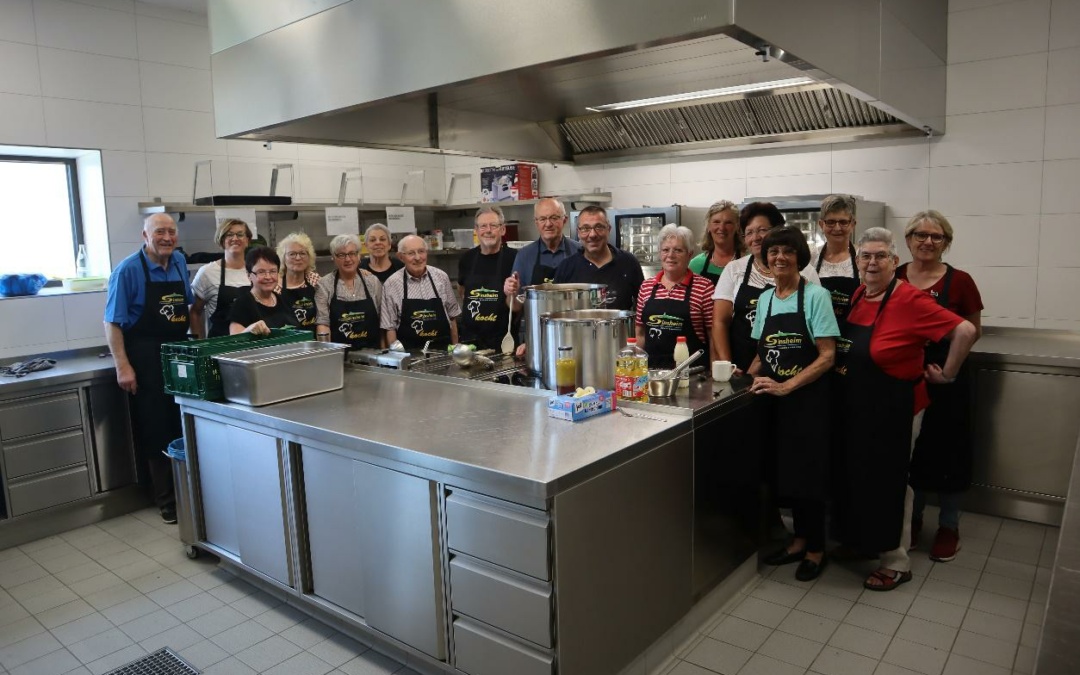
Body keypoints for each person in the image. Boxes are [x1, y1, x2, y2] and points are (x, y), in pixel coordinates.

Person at [832, 227, 978, 592]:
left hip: (897, 406)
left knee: (893, 482)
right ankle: (865, 542)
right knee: (860, 475)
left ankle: (895, 560)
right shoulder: (859, 295)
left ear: (895, 262)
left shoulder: (909, 299)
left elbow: (964, 330)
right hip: (859, 405)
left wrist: (948, 374)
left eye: (880, 256)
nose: (871, 262)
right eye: (865, 256)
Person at [746, 226, 839, 581]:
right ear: (765, 259)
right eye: (773, 252)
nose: (779, 258)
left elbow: (827, 356)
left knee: (810, 476)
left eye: (787, 251)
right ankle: (799, 540)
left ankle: (817, 548)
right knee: (787, 474)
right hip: (774, 402)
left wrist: (787, 387)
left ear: (799, 256)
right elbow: (762, 352)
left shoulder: (816, 296)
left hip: (808, 403)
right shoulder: (767, 298)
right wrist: (741, 380)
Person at [897, 211, 984, 562]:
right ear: (908, 239)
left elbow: (973, 329)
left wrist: (947, 371)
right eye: (920, 235)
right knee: (912, 454)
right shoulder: (896, 275)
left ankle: (949, 526)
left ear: (946, 243)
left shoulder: (960, 281)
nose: (927, 241)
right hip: (904, 380)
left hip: (947, 380)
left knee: (950, 452)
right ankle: (913, 521)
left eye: (937, 236)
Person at [103, 214, 192, 524]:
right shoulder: (127, 270)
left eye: (171, 231)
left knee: (181, 420)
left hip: (178, 352)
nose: (166, 237)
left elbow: (189, 308)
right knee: (156, 425)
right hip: (145, 354)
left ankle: (187, 492)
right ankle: (166, 500)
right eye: (159, 232)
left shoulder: (179, 262)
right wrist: (123, 365)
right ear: (145, 235)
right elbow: (112, 322)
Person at [710, 202, 820, 371]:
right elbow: (719, 322)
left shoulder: (806, 272)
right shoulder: (734, 269)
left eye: (762, 230)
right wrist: (728, 365)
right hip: (743, 367)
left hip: (794, 368)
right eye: (749, 232)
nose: (756, 237)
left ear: (777, 231)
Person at [635, 224, 714, 368]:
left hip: (693, 373)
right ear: (660, 253)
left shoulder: (704, 287)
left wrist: (715, 370)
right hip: (652, 373)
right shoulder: (646, 287)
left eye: (678, 250)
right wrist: (636, 368)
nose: (670, 255)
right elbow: (640, 334)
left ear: (689, 254)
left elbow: (713, 336)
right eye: (665, 250)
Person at [552, 205, 645, 311]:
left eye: (599, 227)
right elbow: (557, 310)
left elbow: (642, 306)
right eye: (585, 228)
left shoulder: (629, 263)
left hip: (619, 327)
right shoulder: (566, 267)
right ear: (578, 232)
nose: (592, 234)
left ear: (608, 229)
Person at [381, 235, 460, 349]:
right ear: (400, 257)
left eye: (421, 251)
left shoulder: (441, 277)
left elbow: (452, 318)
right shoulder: (391, 284)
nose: (418, 257)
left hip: (443, 354)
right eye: (411, 253)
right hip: (409, 357)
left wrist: (455, 349)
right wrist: (397, 359)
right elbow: (390, 328)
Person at [458, 205, 518, 350]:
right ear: (476, 230)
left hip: (502, 343)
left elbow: (517, 306)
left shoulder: (515, 258)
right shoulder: (467, 258)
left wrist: (512, 293)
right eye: (483, 226)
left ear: (503, 229)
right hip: (470, 343)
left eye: (493, 226)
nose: (488, 231)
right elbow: (463, 293)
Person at [504, 197, 582, 306]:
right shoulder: (524, 255)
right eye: (542, 219)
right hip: (536, 321)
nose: (548, 224)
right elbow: (515, 307)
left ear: (564, 220)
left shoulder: (580, 252)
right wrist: (512, 293)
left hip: (571, 321)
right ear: (536, 222)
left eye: (554, 218)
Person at [315, 234, 384, 349]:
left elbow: (383, 321)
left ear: (358, 256)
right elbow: (323, 324)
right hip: (340, 356)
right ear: (333, 258)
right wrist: (327, 355)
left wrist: (385, 353)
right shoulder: (325, 284)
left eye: (352, 253)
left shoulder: (372, 281)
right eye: (341, 255)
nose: (348, 259)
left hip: (373, 353)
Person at [189, 218, 252, 338]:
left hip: (253, 344)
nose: (235, 238)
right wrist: (200, 345)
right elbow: (194, 312)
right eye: (229, 235)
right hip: (219, 346)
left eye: (240, 234)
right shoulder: (207, 272)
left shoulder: (256, 270)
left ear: (247, 240)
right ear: (222, 240)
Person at [811, 195, 861, 322]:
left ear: (852, 224)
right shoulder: (811, 257)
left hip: (852, 329)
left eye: (843, 222)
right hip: (819, 329)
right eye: (831, 222)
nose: (837, 228)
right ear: (821, 224)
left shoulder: (863, 256)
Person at [229, 247, 292, 335]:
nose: (268, 277)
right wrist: (249, 329)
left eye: (273, 271)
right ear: (249, 275)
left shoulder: (284, 300)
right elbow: (234, 340)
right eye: (261, 272)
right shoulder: (241, 305)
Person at [689, 200, 743, 285]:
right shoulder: (696, 265)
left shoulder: (748, 262)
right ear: (709, 227)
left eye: (728, 223)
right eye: (716, 222)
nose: (722, 228)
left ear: (737, 227)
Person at [276, 232, 320, 332]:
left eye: (302, 253)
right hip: (287, 341)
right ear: (283, 258)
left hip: (313, 340)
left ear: (309, 257)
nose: (298, 258)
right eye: (292, 254)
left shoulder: (315, 280)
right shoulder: (274, 285)